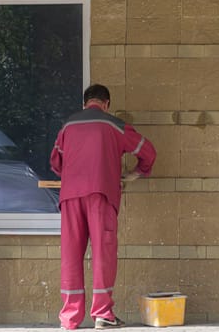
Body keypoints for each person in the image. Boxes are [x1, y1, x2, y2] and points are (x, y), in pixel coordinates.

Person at [50, 84, 156, 330]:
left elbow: (56, 162)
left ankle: (69, 318)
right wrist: (137, 173)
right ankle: (103, 314)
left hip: (70, 196)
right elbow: (148, 151)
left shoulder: (68, 126)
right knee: (103, 253)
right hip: (102, 194)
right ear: (106, 103)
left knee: (70, 255)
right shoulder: (113, 125)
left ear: (85, 103)